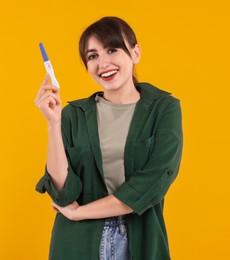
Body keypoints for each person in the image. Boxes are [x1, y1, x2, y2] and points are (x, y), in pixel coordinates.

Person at [34, 16, 183, 260]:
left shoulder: (163, 108)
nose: (102, 63)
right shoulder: (73, 114)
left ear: (135, 53)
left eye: (112, 49)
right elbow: (63, 192)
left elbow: (152, 183)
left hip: (139, 241)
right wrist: (54, 123)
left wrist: (79, 213)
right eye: (92, 56)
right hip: (77, 244)